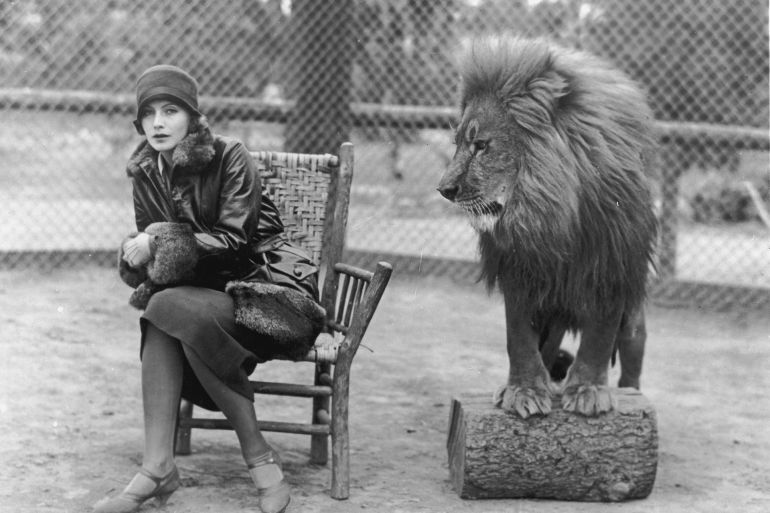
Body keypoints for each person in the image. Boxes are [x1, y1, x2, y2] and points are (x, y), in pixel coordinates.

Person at [94, 64, 324, 513]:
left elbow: (235, 242)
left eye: (170, 111)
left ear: (193, 117)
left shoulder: (229, 155)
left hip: (267, 291)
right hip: (201, 301)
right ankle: (175, 464)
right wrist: (140, 255)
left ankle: (217, 460)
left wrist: (159, 243)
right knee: (168, 308)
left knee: (173, 311)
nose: (158, 123)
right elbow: (164, 265)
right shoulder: (145, 171)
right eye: (149, 114)